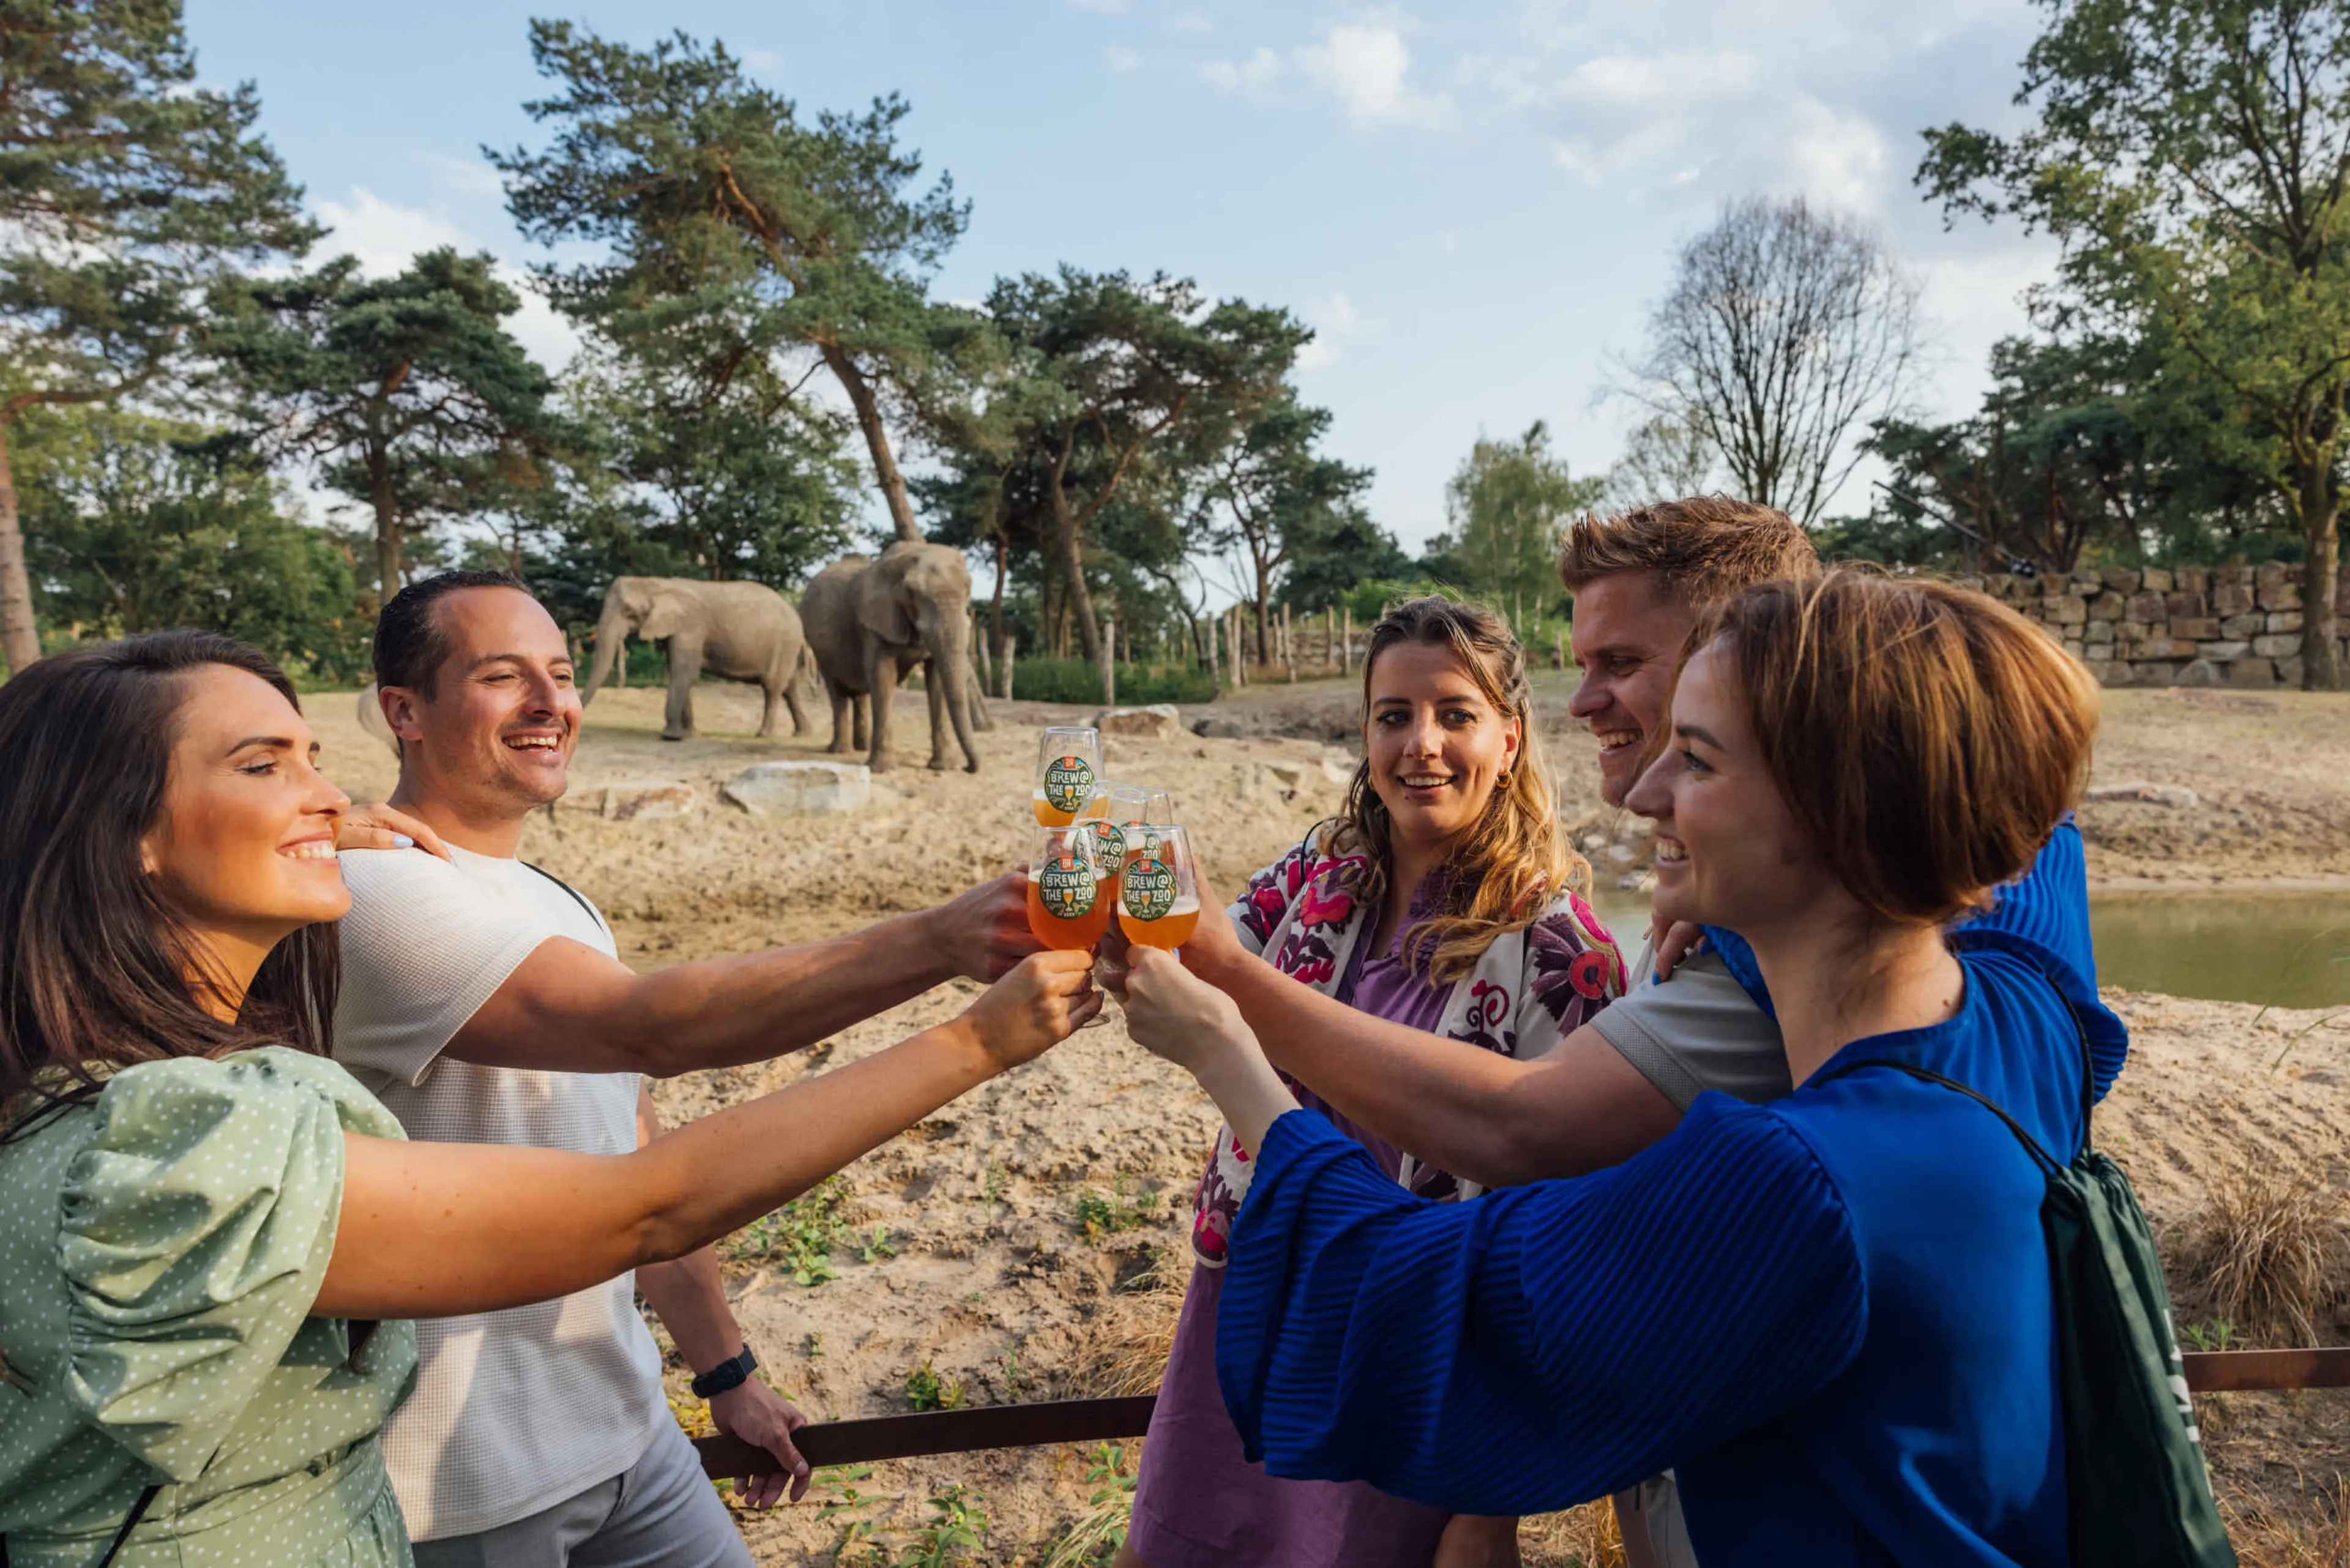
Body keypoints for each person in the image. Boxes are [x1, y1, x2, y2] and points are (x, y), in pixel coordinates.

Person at [0, 630, 1096, 1568]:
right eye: (261, 766)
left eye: (315, 763)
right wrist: (978, 1032)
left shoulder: (103, 1081)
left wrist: (724, 1368)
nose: (333, 798)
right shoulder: (190, 1135)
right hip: (450, 1488)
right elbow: (643, 1199)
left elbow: (624, 1119)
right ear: (124, 831)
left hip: (605, 1430)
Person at [1122, 570, 2120, 1566]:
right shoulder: (2020, 1021)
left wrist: (1224, 1040)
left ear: (1841, 811)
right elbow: (2032, 831)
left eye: (1697, 759)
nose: (1643, 793)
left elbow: (1419, 1295)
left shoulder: (1791, 1185)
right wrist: (1748, 884)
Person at [329, 569, 1041, 1562]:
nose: (552, 703)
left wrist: (724, 1373)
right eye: (503, 676)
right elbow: (646, 1028)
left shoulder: (555, 901)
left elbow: (631, 1153)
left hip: (626, 1433)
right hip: (466, 1484)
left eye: (563, 674)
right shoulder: (371, 892)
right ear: (402, 710)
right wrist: (940, 943)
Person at [1110, 599, 1624, 1568]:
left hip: (1415, 1359)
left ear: (1509, 739)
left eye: (1454, 714)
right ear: (1365, 734)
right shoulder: (1319, 873)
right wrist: (1109, 926)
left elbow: (1565, 1243)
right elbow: (1198, 958)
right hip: (1247, 1303)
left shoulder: (1564, 951)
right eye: (1394, 715)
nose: (1421, 744)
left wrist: (1487, 1506)